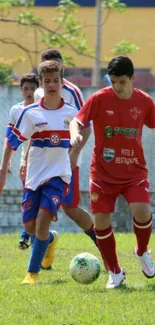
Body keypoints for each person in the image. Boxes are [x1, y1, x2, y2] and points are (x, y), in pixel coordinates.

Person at [70, 55, 155, 289]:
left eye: (122, 82)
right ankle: (115, 273)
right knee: (101, 223)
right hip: (103, 173)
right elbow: (76, 121)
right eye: (113, 82)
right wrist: (74, 135)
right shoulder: (99, 98)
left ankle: (141, 250)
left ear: (133, 79)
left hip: (134, 170)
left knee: (141, 210)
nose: (117, 87)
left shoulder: (145, 102)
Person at [0, 60, 78, 284]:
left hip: (59, 175)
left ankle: (31, 273)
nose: (52, 85)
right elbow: (11, 143)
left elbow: (83, 130)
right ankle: (50, 241)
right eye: (47, 81)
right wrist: (4, 171)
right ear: (41, 85)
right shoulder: (30, 113)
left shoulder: (72, 114)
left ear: (62, 83)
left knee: (43, 220)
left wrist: (76, 144)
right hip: (34, 176)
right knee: (30, 226)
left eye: (56, 80)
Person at [21, 49, 99, 257]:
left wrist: (74, 153)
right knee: (34, 218)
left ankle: (100, 240)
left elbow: (87, 126)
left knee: (71, 208)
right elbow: (34, 129)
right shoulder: (39, 93)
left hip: (65, 161)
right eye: (47, 75)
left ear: (62, 70)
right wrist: (25, 158)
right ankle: (47, 243)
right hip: (41, 163)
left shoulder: (73, 92)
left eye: (56, 72)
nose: (52, 81)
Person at [5, 73, 39, 249]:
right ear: (21, 90)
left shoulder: (41, 110)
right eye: (26, 88)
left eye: (33, 88)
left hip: (38, 159)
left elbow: (35, 137)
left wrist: (26, 161)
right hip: (24, 157)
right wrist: (7, 159)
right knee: (29, 196)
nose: (29, 92)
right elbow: (9, 136)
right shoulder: (16, 110)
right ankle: (29, 235)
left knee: (33, 196)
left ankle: (27, 235)